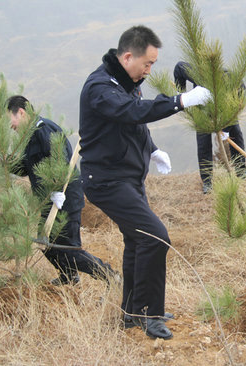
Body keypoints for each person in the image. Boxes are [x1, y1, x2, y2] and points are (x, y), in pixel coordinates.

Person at [79, 26, 211, 340]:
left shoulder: (129, 82)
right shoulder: (101, 87)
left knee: (137, 241)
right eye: (147, 63)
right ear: (128, 56)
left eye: (152, 64)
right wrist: (181, 100)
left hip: (128, 177)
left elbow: (133, 122)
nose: (150, 70)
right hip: (107, 181)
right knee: (155, 236)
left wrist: (152, 150)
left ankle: (133, 311)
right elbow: (132, 111)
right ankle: (149, 314)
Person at [6, 95, 118, 286]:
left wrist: (58, 191)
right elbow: (26, 168)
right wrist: (4, 161)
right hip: (48, 201)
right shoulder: (30, 136)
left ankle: (109, 276)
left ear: (21, 112)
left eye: (12, 119)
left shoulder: (44, 130)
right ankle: (69, 277)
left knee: (69, 250)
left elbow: (62, 161)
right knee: (45, 244)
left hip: (64, 198)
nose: (11, 125)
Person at [173, 61, 246, 194]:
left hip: (227, 110)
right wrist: (182, 96)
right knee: (203, 143)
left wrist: (226, 127)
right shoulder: (199, 75)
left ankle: (241, 171)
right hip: (202, 106)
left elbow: (239, 101)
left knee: (236, 133)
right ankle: (207, 181)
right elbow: (179, 67)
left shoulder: (233, 81)